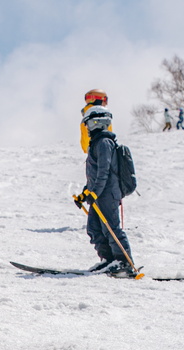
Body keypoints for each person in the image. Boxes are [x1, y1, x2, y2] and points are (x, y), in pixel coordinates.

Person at [76, 105, 134, 276]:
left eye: (88, 124)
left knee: (111, 228)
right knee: (94, 228)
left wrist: (95, 192)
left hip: (107, 194)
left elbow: (104, 172)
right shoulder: (97, 143)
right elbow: (94, 175)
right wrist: (85, 193)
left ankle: (123, 262)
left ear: (96, 122)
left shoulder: (104, 143)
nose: (86, 128)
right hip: (99, 194)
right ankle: (109, 260)